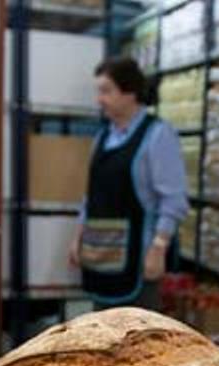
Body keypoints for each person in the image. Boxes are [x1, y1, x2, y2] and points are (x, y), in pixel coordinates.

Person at [68, 57, 190, 310]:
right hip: (98, 258)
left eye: (106, 91)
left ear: (130, 92)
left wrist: (158, 248)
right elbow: (91, 196)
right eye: (98, 91)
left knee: (137, 341)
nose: (99, 99)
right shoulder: (102, 137)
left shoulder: (157, 134)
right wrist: (77, 237)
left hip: (138, 261)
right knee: (101, 337)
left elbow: (174, 199)